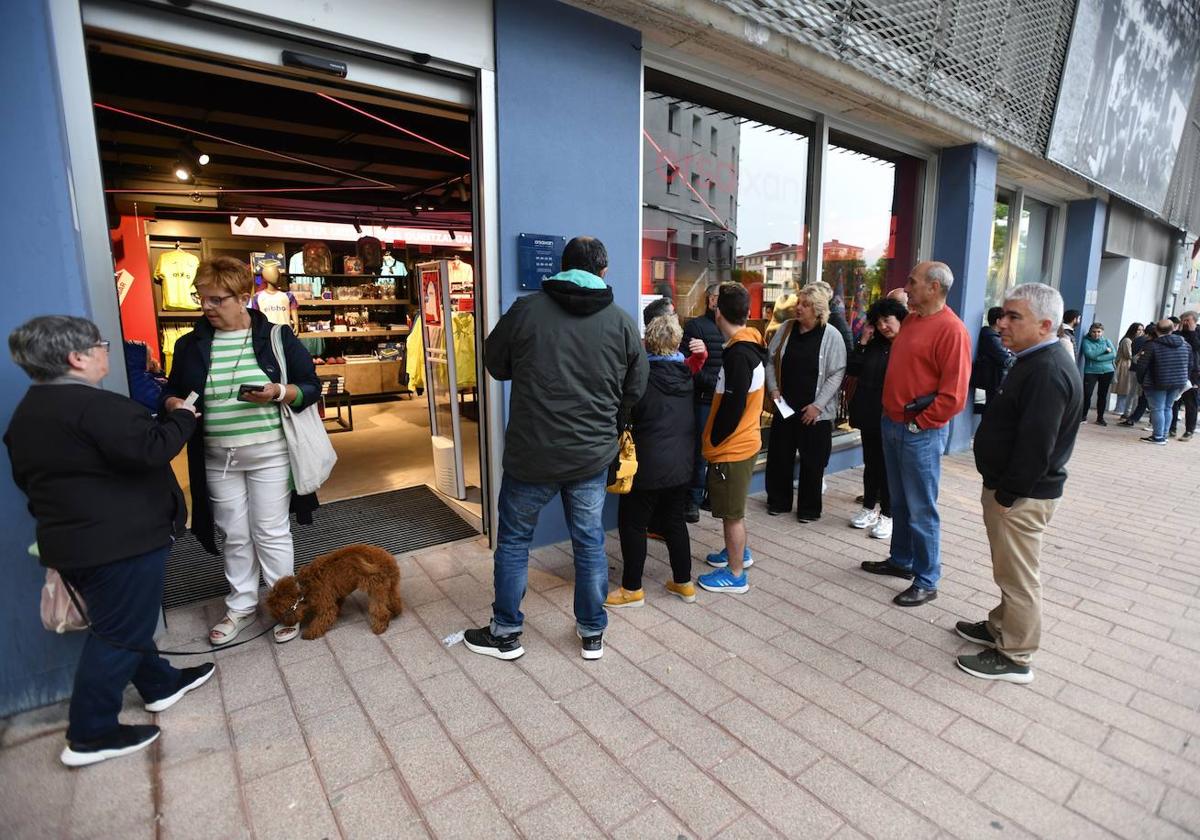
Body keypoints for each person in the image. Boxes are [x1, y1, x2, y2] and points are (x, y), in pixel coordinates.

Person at [5, 316, 212, 767]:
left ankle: (160, 684)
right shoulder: (95, 408)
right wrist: (182, 418)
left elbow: (31, 479)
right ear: (76, 358)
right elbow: (152, 449)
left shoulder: (29, 412)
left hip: (75, 542)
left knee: (123, 620)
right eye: (100, 344)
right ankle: (91, 732)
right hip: (120, 543)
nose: (107, 350)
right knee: (120, 633)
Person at [465, 237, 647, 661]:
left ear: (562, 268)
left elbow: (495, 364)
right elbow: (636, 387)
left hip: (532, 454)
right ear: (602, 272)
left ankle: (506, 632)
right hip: (590, 456)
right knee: (588, 542)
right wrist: (610, 419)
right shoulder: (621, 322)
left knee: (513, 542)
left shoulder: (527, 311)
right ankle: (592, 633)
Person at [163, 256, 322, 646]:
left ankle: (287, 604)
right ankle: (241, 605)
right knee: (234, 534)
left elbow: (311, 386)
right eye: (202, 298)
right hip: (218, 457)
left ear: (243, 297)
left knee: (270, 531)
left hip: (270, 452)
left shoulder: (277, 337)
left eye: (217, 299)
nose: (207, 307)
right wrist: (173, 405)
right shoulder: (189, 344)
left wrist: (278, 392)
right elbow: (169, 391)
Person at [957, 283, 1082, 684]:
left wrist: (1007, 495)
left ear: (1045, 324)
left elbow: (1035, 447)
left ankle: (1016, 656)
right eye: (1003, 315)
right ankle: (1001, 627)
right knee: (1008, 571)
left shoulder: (1046, 370)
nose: (1001, 324)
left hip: (1021, 496)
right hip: (1013, 491)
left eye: (1014, 317)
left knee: (1018, 577)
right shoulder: (1034, 359)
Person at [859, 261, 972, 607]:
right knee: (901, 500)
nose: (906, 286)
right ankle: (902, 560)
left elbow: (954, 396)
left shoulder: (952, 331)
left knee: (921, 507)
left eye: (912, 280)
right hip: (892, 423)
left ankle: (927, 579)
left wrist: (918, 423)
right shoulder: (912, 321)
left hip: (917, 430)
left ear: (934, 287)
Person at [605, 312, 698, 609]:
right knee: (674, 522)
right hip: (681, 464)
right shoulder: (686, 376)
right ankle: (684, 583)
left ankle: (632, 589)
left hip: (646, 466)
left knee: (633, 524)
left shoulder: (642, 378)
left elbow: (625, 415)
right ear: (677, 343)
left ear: (647, 341)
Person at [696, 282, 768, 594]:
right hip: (745, 441)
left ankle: (736, 574)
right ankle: (739, 553)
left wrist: (714, 442)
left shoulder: (739, 355)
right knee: (733, 508)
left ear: (718, 312)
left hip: (733, 447)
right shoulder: (749, 343)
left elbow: (733, 406)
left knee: (731, 515)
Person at [764, 285, 847, 521]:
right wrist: (774, 388)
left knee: (813, 461)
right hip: (785, 407)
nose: (798, 307)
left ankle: (809, 509)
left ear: (818, 310)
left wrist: (817, 406)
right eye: (798, 302)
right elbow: (771, 360)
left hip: (815, 412)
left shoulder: (831, 335)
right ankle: (778, 501)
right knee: (780, 456)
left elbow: (837, 373)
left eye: (805, 304)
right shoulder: (786, 328)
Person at [846, 297, 908, 539]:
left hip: (893, 415)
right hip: (870, 413)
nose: (883, 326)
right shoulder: (874, 345)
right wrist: (862, 341)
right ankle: (869, 507)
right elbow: (853, 369)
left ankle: (888, 515)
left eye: (887, 320)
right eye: (878, 321)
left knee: (889, 467)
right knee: (871, 463)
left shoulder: (907, 346)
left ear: (900, 319)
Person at [681, 282, 724, 521]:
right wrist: (713, 382)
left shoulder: (731, 328)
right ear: (711, 300)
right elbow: (686, 365)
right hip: (703, 400)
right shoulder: (696, 326)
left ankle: (712, 496)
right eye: (721, 296)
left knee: (718, 452)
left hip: (723, 400)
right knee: (699, 454)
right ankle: (693, 500)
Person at [1133, 318, 1192, 445]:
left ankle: (1158, 436)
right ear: (1173, 329)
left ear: (1156, 329)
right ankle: (1163, 435)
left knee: (1157, 409)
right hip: (1178, 381)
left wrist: (1141, 380)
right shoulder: (1185, 345)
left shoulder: (1152, 345)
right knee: (1167, 407)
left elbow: (1142, 365)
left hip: (1156, 382)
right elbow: (1189, 364)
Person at [970, 306, 1014, 413]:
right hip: (994, 382)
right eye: (1005, 319)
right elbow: (1005, 359)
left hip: (997, 381)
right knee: (993, 412)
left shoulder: (997, 336)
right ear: (998, 321)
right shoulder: (990, 337)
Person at [1118, 322, 1157, 427]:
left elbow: (1134, 357)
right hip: (1145, 373)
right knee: (1141, 395)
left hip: (1135, 369)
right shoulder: (1152, 343)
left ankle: (1129, 414)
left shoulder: (1137, 340)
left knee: (1132, 393)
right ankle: (1137, 417)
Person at [1168, 311, 1198, 441]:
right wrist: (1178, 331)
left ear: (1195, 321)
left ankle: (1189, 431)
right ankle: (1171, 428)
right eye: (1183, 321)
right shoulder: (1176, 333)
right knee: (1174, 401)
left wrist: (1191, 331)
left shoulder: (1197, 333)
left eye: (1188, 321)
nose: (1185, 323)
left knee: (1191, 402)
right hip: (1176, 371)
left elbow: (1196, 346)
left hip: (1193, 374)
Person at [1079, 322, 1117, 425]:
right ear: (1090, 332)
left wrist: (1098, 357)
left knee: (1102, 395)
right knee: (1087, 394)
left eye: (1099, 332)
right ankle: (1083, 416)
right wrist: (1104, 349)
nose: (1096, 334)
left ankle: (1100, 418)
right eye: (1094, 332)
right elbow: (1090, 355)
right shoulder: (1086, 342)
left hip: (1107, 371)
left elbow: (1113, 355)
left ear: (1102, 332)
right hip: (1091, 371)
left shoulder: (1107, 340)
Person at [250, 264, 300, 333]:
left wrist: (296, 324)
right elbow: (255, 316)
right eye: (272, 274)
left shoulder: (288, 295)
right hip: (267, 333)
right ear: (265, 277)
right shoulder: (257, 297)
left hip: (285, 331)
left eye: (276, 274)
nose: (275, 276)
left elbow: (293, 309)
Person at [1112, 322, 1143, 420]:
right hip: (1125, 365)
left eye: (1142, 330)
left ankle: (1122, 409)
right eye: (1138, 330)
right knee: (1124, 388)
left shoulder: (1135, 340)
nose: (1140, 332)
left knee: (1127, 388)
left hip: (1128, 364)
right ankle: (1120, 409)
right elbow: (1128, 354)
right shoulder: (1127, 340)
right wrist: (1138, 355)